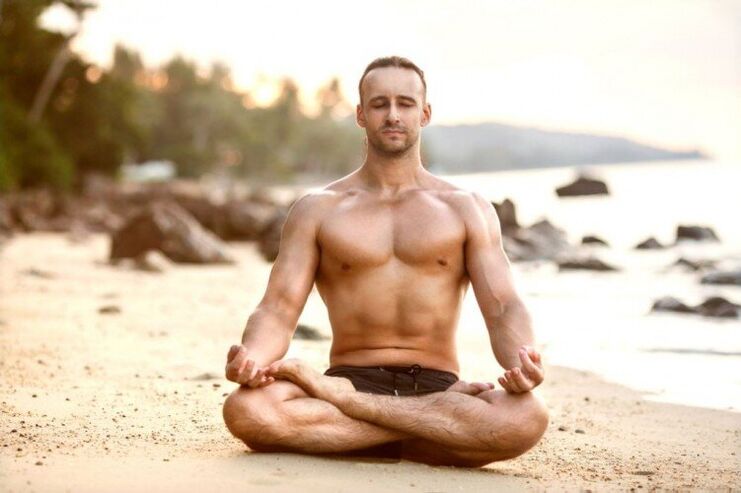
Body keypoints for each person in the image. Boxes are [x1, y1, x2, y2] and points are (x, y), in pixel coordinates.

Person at [222, 56, 548, 467]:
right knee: (246, 409)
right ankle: (424, 434)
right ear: (360, 115)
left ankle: (357, 431)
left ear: (424, 113)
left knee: (528, 416)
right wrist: (252, 356)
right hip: (354, 378)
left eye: (405, 103)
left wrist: (525, 358)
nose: (392, 115)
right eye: (379, 104)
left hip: (433, 383)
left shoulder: (467, 208)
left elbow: (503, 306)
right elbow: (279, 306)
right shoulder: (317, 209)